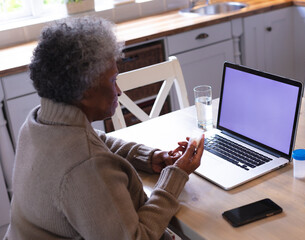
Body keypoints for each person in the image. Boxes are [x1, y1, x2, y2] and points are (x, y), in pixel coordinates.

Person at [4, 16, 204, 240]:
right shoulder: (87, 167)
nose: (118, 91)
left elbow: (98, 140)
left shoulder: (38, 123)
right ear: (85, 91)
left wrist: (152, 157)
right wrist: (175, 177)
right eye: (112, 81)